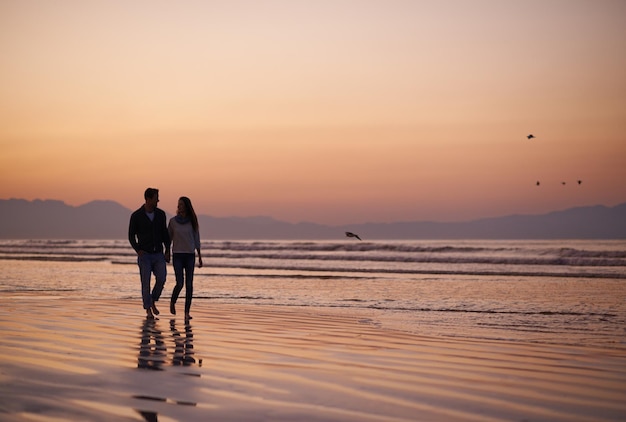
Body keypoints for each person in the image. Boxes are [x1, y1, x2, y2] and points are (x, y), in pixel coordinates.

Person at [128, 188, 171, 319]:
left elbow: (165, 233)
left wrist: (168, 249)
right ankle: (148, 310)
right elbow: (131, 235)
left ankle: (153, 300)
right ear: (148, 199)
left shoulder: (161, 214)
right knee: (145, 283)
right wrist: (138, 250)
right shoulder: (136, 215)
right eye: (156, 198)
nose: (158, 200)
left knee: (162, 278)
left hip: (158, 253)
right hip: (144, 255)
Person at [168, 196, 203, 320]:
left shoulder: (192, 220)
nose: (179, 206)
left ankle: (187, 312)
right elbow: (168, 239)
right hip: (177, 254)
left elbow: (196, 238)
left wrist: (199, 256)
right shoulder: (172, 221)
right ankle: (172, 302)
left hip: (189, 255)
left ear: (187, 206)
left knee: (189, 284)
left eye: (182, 204)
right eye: (178, 204)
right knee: (180, 283)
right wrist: (166, 251)